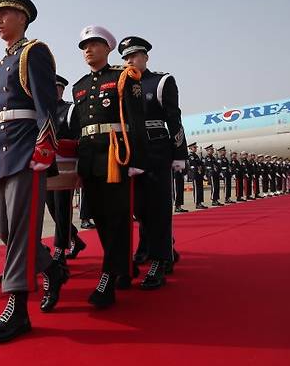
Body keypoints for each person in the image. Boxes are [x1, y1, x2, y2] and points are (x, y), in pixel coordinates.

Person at [0, 0, 68, 344]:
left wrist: (44, 147)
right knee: (7, 231)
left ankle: (17, 308)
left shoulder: (34, 52)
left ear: (23, 17)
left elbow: (47, 105)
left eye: (5, 14)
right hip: (0, 152)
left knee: (20, 233)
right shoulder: (2, 63)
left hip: (24, 149)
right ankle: (51, 268)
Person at [70, 25, 148, 304]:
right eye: (84, 46)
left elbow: (136, 121)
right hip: (90, 158)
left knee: (117, 216)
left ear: (108, 48)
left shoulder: (124, 77)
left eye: (93, 44)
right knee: (101, 218)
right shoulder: (78, 86)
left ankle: (108, 275)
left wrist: (136, 160)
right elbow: (78, 128)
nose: (87, 50)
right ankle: (123, 266)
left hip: (116, 156)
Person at [119, 35, 187, 290]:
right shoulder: (122, 84)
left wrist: (179, 153)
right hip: (133, 152)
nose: (130, 61)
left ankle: (160, 260)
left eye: (134, 56)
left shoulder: (161, 82)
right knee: (139, 207)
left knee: (159, 207)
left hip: (158, 150)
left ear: (145, 56)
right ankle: (153, 245)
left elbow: (174, 118)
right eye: (125, 58)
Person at [45, 74, 86, 265]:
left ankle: (60, 248)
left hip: (64, 166)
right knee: (52, 208)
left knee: (62, 207)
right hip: (46, 166)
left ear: (62, 90)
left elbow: (79, 135)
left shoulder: (69, 109)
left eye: (57, 88)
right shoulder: (42, 112)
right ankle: (75, 239)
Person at [187, 142, 206, 209]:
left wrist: (202, 169)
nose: (196, 149)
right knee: (197, 189)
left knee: (200, 189)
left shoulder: (196, 155)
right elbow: (193, 165)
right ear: (190, 148)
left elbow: (200, 163)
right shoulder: (191, 156)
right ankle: (197, 203)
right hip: (195, 174)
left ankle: (200, 202)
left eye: (196, 147)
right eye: (194, 147)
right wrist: (198, 168)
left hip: (199, 174)